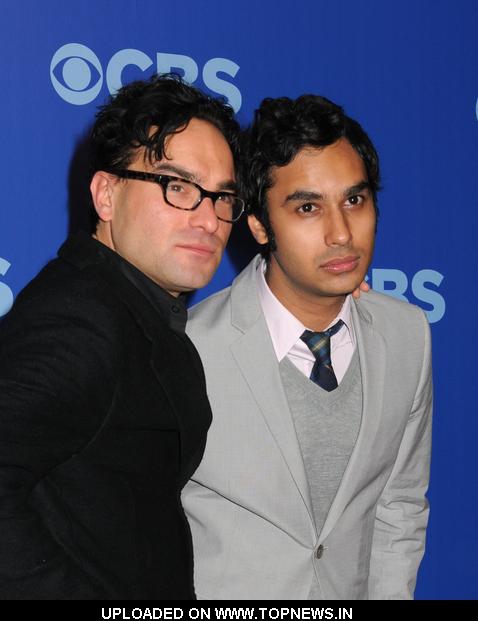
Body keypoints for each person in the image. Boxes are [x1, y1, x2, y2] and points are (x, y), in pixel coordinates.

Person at [0, 74, 244, 599]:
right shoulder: (81, 319)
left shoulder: (136, 304)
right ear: (107, 194)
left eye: (223, 197)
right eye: (177, 186)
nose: (209, 219)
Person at [183, 94, 433, 600]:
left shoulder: (408, 336)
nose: (341, 233)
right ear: (258, 225)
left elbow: (399, 506)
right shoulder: (190, 348)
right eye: (307, 208)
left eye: (355, 201)